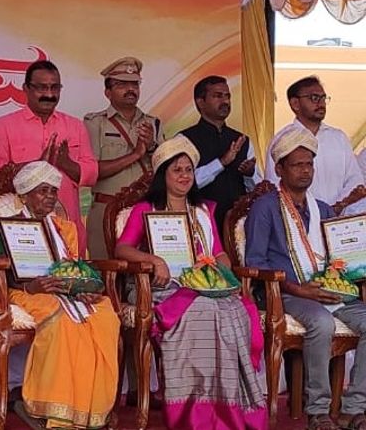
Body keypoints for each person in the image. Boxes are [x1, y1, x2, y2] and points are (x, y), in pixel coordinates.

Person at [115, 136, 268, 429]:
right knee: (206, 311)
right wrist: (154, 261)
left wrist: (221, 268)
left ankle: (226, 405)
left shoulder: (203, 210)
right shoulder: (145, 208)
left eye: (188, 170)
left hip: (205, 287)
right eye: (177, 170)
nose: (185, 176)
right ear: (163, 175)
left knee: (234, 311)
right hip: (160, 288)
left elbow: (221, 252)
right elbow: (122, 249)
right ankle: (195, 411)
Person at [245, 126, 366, 430]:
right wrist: (300, 289)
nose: (305, 170)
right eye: (297, 164)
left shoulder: (323, 209)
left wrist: (350, 269)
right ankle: (319, 411)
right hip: (286, 293)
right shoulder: (265, 208)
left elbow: (340, 256)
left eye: (309, 163)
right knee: (321, 322)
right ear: (280, 169)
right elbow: (255, 264)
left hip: (326, 291)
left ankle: (354, 408)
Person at [1, 161, 119, 429]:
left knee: (105, 315)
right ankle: (50, 407)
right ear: (25, 194)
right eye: (43, 191)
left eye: (53, 191)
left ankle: (92, 408)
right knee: (62, 320)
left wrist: (85, 288)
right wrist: (31, 287)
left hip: (67, 293)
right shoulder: (11, 226)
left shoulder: (64, 228)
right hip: (25, 292)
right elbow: (1, 271)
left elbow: (75, 266)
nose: (50, 197)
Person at [0, 60, 97, 255]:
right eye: (41, 87)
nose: (49, 94)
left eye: (55, 87)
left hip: (67, 230)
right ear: (26, 89)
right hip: (21, 231)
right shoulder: (3, 125)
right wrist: (37, 166)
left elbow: (91, 174)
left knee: (69, 280)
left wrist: (66, 164)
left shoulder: (75, 126)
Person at [84, 56, 165, 260]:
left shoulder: (153, 123)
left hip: (146, 210)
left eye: (134, 84)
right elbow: (93, 172)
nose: (131, 89)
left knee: (149, 275)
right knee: (105, 274)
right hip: (105, 210)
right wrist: (135, 155)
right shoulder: (95, 123)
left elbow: (168, 169)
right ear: (107, 92)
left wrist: (152, 147)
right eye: (122, 84)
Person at [265, 76, 364, 207]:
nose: (321, 104)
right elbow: (274, 186)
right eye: (314, 98)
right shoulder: (282, 141)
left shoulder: (339, 138)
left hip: (338, 220)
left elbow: (354, 181)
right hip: (298, 221)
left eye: (323, 98)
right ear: (295, 104)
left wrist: (335, 210)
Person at [179, 75, 260, 234]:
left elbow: (256, 189)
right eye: (217, 96)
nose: (225, 101)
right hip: (200, 224)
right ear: (200, 102)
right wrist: (221, 163)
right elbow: (183, 183)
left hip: (239, 228)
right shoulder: (184, 140)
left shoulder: (242, 140)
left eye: (227, 96)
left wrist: (249, 174)